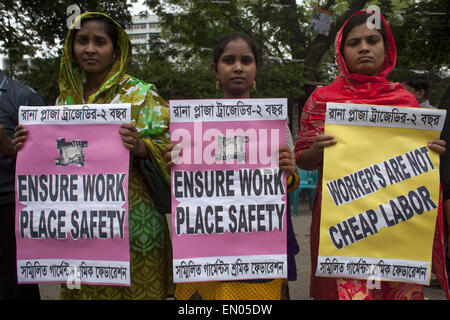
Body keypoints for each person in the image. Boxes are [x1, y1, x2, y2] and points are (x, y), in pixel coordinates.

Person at [13, 12, 173, 300]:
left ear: (115, 50)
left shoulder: (141, 94)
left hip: (135, 229)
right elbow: (53, 162)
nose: (90, 49)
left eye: (100, 42)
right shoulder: (65, 100)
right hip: (80, 229)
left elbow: (176, 148)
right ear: (71, 47)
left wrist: (142, 147)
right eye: (82, 41)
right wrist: (27, 145)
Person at [295, 11, 447, 300]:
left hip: (395, 220)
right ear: (341, 52)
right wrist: (316, 148)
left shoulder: (405, 101)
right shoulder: (323, 99)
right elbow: (303, 159)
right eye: (354, 42)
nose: (364, 47)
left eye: (372, 40)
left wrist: (433, 152)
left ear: (386, 49)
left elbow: (419, 163)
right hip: (342, 222)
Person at [164, 33, 300, 300]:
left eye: (246, 60)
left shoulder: (274, 120)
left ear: (255, 68)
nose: (238, 67)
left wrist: (289, 168)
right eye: (229, 60)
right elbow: (182, 189)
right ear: (215, 69)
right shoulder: (191, 124)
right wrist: (173, 162)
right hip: (207, 243)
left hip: (260, 243)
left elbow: (287, 187)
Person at [0, 69, 42, 300]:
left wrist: (10, 149)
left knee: (14, 286)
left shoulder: (22, 97)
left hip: (10, 208)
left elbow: (48, 160)